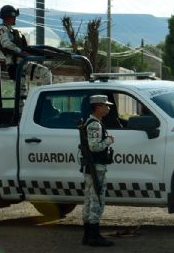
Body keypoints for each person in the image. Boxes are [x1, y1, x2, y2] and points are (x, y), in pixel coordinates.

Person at [80, 95, 115, 247]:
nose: (108, 108)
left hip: (92, 168)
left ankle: (88, 235)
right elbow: (94, 147)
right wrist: (109, 140)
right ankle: (93, 236)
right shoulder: (95, 125)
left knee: (89, 200)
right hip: (96, 168)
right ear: (97, 107)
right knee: (96, 201)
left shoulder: (92, 122)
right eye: (105, 105)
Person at [0, 5, 51, 98]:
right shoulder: (2, 29)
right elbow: (6, 44)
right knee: (21, 92)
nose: (15, 19)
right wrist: (20, 51)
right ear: (8, 17)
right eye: (13, 17)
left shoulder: (13, 31)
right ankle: (21, 111)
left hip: (23, 63)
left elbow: (24, 46)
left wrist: (31, 52)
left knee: (46, 73)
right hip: (15, 64)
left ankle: (47, 100)